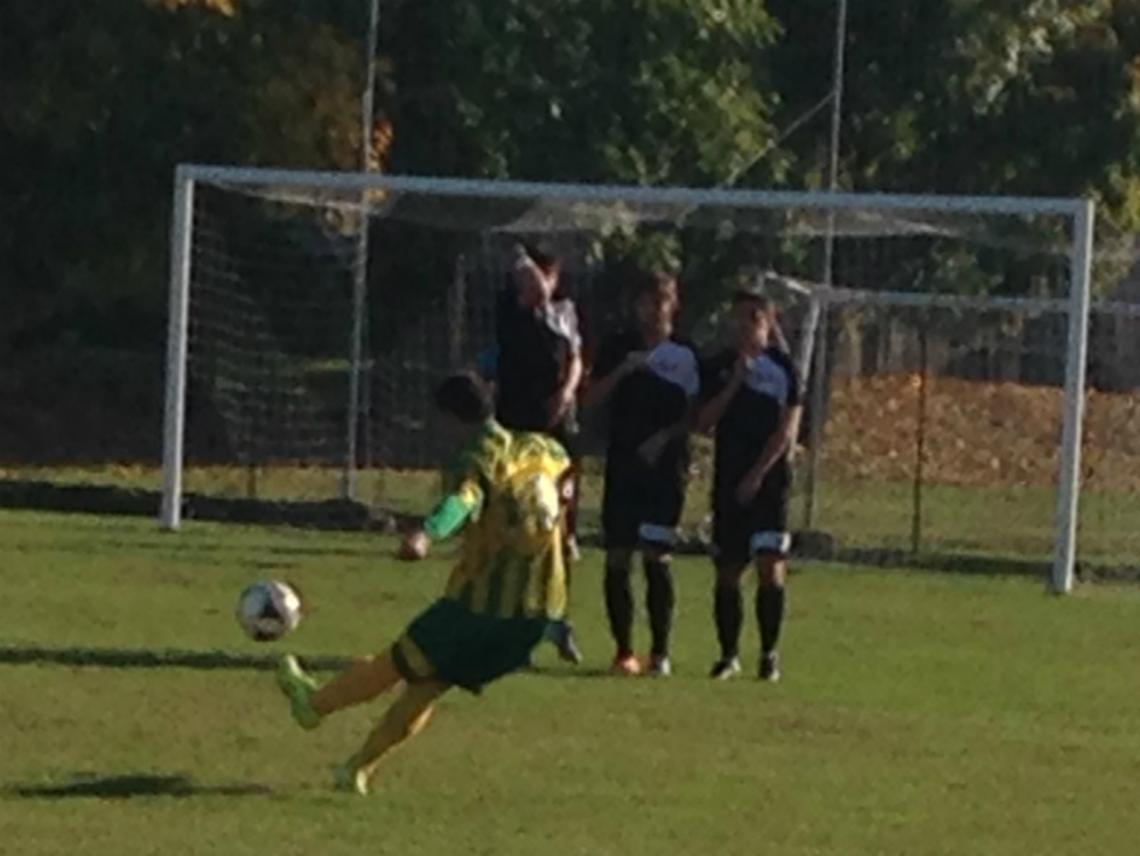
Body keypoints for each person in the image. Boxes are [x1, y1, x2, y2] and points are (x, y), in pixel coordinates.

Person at [275, 373, 572, 795]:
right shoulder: (545, 449)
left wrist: (427, 534)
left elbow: (463, 500)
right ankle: (357, 769)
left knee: (396, 662)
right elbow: (560, 497)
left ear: (450, 419)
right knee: (429, 684)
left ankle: (314, 705)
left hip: (478, 610)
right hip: (536, 613)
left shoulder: (477, 458)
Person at [583, 273, 698, 676]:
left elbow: (696, 414)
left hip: (666, 467)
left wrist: (664, 439)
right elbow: (590, 397)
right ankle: (623, 651)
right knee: (617, 556)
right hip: (623, 464)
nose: (652, 310)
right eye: (646, 302)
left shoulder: (685, 354)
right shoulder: (619, 347)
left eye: (660, 301)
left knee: (656, 555)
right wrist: (622, 371)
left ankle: (660, 653)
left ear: (673, 305)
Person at [697, 284, 803, 681]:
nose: (745, 326)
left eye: (754, 319)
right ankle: (728, 655)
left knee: (770, 566)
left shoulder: (785, 369)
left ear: (769, 322)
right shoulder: (721, 366)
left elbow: (787, 430)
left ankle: (769, 654)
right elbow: (703, 422)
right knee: (728, 570)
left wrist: (757, 475)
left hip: (769, 481)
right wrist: (734, 383)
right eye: (739, 318)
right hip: (729, 478)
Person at [492, 243, 584, 664]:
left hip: (557, 433)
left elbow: (576, 356)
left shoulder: (565, 314)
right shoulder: (511, 310)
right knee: (518, 529)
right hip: (517, 432)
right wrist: (521, 258)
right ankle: (516, 626)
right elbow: (533, 288)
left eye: (550, 274)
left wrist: (566, 392)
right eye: (535, 274)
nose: (543, 283)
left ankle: (557, 619)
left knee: (558, 532)